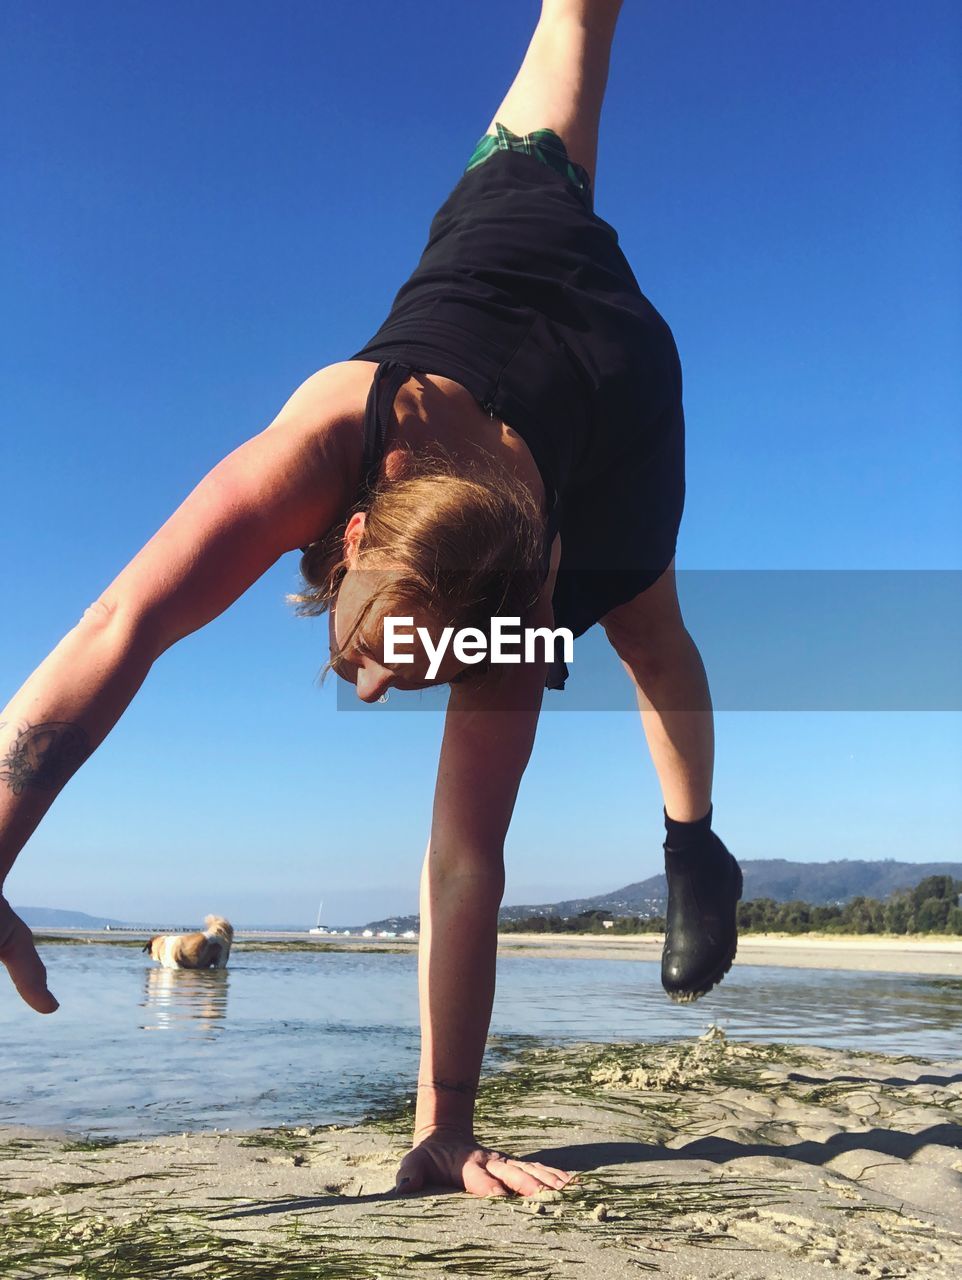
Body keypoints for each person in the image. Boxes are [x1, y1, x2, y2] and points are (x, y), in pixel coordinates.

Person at [0, 0, 742, 1199]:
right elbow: (118, 625)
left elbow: (463, 856)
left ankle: (694, 848)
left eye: (418, 666)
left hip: (615, 408)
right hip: (513, 234)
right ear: (349, 529)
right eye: (393, 651)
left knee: (649, 638)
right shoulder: (317, 438)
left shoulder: (523, 595)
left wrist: (446, 1121)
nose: (384, 684)